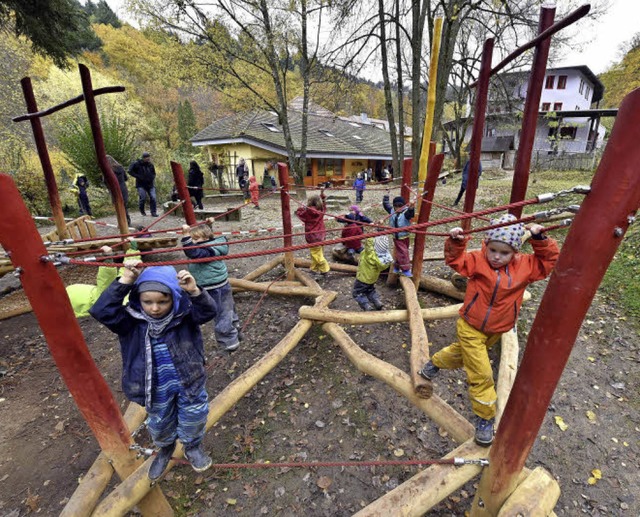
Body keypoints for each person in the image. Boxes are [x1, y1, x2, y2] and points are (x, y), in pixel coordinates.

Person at [418, 214, 559, 446]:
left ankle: (434, 364)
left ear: (515, 252)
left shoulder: (526, 266)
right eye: (493, 250)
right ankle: (485, 417)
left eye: (504, 253)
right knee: (481, 373)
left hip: (497, 329)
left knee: (461, 354)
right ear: (486, 245)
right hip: (470, 326)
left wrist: (541, 240)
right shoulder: (478, 260)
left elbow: (548, 263)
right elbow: (456, 262)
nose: (496, 257)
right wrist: (456, 242)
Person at [89, 265, 217, 480]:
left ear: (174, 298)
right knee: (160, 422)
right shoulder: (129, 321)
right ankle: (165, 448)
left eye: (162, 301)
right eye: (147, 302)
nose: (155, 308)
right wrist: (125, 281)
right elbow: (102, 311)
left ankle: (192, 446)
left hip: (189, 380)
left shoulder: (184, 314)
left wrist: (194, 291)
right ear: (138, 299)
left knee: (194, 415)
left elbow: (208, 311)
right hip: (155, 387)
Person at [181, 220, 241, 352]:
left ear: (207, 239)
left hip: (212, 286)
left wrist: (185, 236)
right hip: (222, 283)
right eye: (192, 239)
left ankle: (229, 342)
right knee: (228, 308)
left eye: (196, 239)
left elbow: (193, 253)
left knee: (220, 313)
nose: (194, 242)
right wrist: (209, 225)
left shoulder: (207, 250)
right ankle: (235, 326)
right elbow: (203, 240)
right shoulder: (214, 244)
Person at [66, 242, 140, 318]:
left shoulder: (123, 299)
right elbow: (124, 274)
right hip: (73, 297)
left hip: (75, 295)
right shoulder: (125, 300)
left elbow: (109, 282)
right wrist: (133, 252)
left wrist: (108, 259)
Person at [352, 233, 393, 311]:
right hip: (372, 279)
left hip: (362, 279)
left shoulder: (370, 254)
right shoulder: (385, 257)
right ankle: (377, 302)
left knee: (357, 293)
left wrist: (373, 233)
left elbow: (369, 242)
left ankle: (366, 305)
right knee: (370, 290)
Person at [295, 189, 330, 278]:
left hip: (313, 237)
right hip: (321, 235)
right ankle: (314, 269)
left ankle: (325, 269)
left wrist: (300, 207)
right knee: (317, 253)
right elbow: (324, 204)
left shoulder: (308, 212)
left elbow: (299, 214)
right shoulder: (321, 210)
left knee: (316, 254)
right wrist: (322, 196)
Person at [382, 191, 415, 277]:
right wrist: (386, 196)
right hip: (397, 237)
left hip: (405, 236)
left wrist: (411, 206)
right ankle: (405, 269)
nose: (398, 208)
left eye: (400, 206)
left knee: (401, 252)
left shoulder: (406, 212)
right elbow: (386, 206)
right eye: (396, 206)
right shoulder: (392, 211)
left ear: (404, 206)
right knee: (403, 252)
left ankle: (397, 267)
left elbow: (410, 214)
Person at [128, 152, 158, 217]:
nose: (148, 159)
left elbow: (154, 173)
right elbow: (130, 171)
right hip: (141, 184)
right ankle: (142, 210)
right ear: (143, 158)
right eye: (146, 158)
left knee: (153, 197)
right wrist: (138, 176)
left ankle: (153, 212)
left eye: (148, 157)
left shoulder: (150, 165)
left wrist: (152, 177)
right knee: (143, 198)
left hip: (150, 184)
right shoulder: (137, 164)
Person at [106, 155, 131, 225]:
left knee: (118, 206)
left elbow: (105, 181)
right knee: (124, 205)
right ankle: (127, 220)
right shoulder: (120, 168)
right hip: (123, 188)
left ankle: (122, 222)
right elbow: (126, 178)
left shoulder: (107, 171)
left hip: (114, 190)